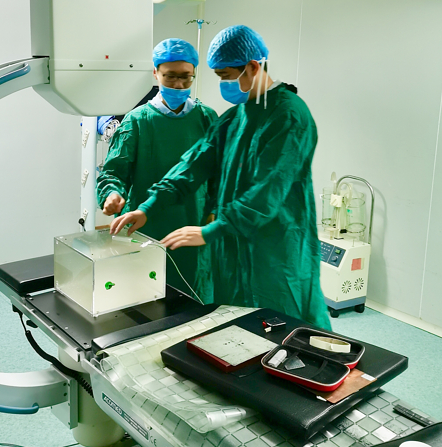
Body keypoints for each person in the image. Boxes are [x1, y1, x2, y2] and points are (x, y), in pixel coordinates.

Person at [110, 25, 331, 330]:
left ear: (252, 67)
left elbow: (267, 192)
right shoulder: (233, 118)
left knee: (283, 329)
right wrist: (148, 207)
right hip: (231, 248)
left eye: (226, 76)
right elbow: (191, 167)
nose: (224, 84)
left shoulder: (289, 116)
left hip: (275, 249)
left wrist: (213, 229)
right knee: (235, 326)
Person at [97, 38, 217, 297]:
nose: (179, 85)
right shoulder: (137, 120)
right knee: (143, 295)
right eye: (170, 76)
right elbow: (113, 171)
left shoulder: (207, 118)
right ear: (155, 73)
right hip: (145, 226)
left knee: (192, 297)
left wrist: (214, 212)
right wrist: (112, 194)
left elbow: (219, 173)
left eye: (186, 77)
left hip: (192, 223)